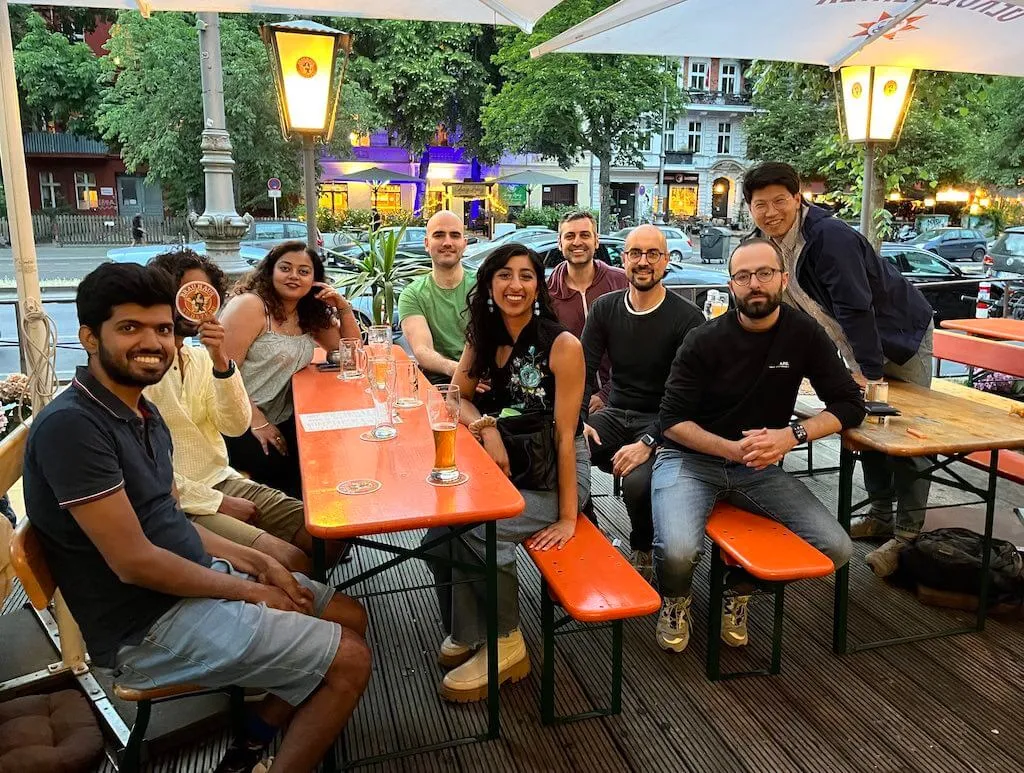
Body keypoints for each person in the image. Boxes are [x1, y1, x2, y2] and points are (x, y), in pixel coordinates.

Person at [22, 262, 370, 773]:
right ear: (89, 338)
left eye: (162, 328)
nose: (152, 342)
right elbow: (134, 563)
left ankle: (255, 736)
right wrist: (252, 591)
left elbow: (170, 519)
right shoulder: (73, 427)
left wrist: (257, 562)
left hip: (193, 589)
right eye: (130, 328)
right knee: (351, 658)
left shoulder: (142, 410)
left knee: (350, 616)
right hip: (145, 627)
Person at [652, 238, 861, 653]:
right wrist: (732, 450)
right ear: (732, 286)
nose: (755, 284)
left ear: (783, 279)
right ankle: (676, 601)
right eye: (744, 276)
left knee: (836, 548)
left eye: (764, 273)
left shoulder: (803, 333)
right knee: (677, 552)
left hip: (760, 469)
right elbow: (671, 422)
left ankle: (739, 588)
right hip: (691, 460)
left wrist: (792, 436)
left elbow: (850, 405)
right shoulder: (703, 339)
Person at [744, 162, 935, 577]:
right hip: (854, 345)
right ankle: (881, 514)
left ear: (798, 198)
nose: (771, 211)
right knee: (863, 429)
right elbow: (791, 313)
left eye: (780, 200)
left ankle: (908, 538)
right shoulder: (769, 245)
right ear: (750, 209)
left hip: (899, 340)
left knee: (909, 435)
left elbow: (855, 306)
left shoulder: (830, 238)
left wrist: (869, 372)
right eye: (761, 204)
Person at [422, 244, 590, 703]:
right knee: (436, 535)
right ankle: (470, 630)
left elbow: (566, 437)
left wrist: (569, 517)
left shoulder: (561, 345)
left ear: (539, 287)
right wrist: (487, 428)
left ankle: (507, 640)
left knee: (482, 529)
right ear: (490, 285)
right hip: (503, 470)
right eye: (504, 276)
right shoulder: (484, 337)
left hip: (553, 478)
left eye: (526, 276)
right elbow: (455, 398)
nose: (515, 286)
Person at [146, 250, 323, 575]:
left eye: (203, 296)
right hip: (179, 501)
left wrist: (219, 360)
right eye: (186, 295)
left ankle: (303, 598)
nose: (195, 307)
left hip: (219, 477)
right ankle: (291, 599)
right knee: (293, 558)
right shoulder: (144, 372)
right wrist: (218, 502)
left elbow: (232, 423)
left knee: (326, 533)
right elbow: (143, 474)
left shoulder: (200, 359)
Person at [580, 224, 704, 581]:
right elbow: (584, 370)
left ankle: (643, 549)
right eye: (636, 253)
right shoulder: (606, 308)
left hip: (666, 421)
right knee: (567, 450)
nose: (643, 261)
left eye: (653, 254)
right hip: (616, 413)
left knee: (637, 481)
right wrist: (578, 420)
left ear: (666, 262)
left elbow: (686, 396)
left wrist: (649, 441)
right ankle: (590, 534)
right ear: (624, 260)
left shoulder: (687, 318)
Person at [220, 242, 361, 500]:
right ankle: (309, 536)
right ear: (270, 271)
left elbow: (350, 354)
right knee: (301, 482)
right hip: (237, 421)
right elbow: (222, 373)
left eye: (304, 271)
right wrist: (257, 421)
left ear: (315, 281)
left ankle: (332, 534)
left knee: (334, 461)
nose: (294, 276)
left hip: (281, 416)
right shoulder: (251, 306)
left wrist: (342, 306)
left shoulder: (306, 313)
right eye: (285, 268)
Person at [546, 210, 627, 413]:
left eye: (585, 235)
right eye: (570, 236)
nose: (577, 242)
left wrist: (606, 394)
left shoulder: (622, 282)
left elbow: (640, 346)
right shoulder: (547, 294)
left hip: (622, 398)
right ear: (560, 243)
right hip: (569, 402)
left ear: (596, 241)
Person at [398, 210, 475, 384]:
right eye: (439, 235)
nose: (447, 242)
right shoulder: (412, 295)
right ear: (427, 243)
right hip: (440, 382)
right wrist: (459, 371)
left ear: (464, 244)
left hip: (487, 379)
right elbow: (422, 350)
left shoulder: (485, 285)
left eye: (454, 235)